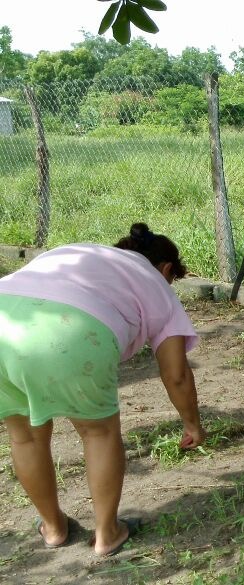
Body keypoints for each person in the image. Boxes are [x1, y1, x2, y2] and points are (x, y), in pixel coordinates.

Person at [0, 223, 206, 556]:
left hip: (3, 316)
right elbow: (176, 374)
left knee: (25, 436)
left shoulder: (80, 250)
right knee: (98, 433)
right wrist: (192, 424)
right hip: (70, 330)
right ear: (166, 269)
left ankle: (53, 528)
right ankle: (107, 533)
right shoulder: (158, 286)